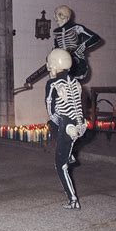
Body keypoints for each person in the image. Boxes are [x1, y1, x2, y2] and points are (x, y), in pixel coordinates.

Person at [45, 49, 87, 210]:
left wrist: (57, 121)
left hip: (67, 126)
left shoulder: (52, 84)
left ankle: (73, 200)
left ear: (54, 65)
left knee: (60, 165)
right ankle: (70, 155)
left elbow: (49, 107)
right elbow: (79, 105)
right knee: (53, 126)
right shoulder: (76, 82)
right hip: (80, 124)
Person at [52, 5, 101, 80]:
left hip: (76, 60)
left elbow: (96, 37)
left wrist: (84, 46)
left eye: (59, 18)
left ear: (66, 17)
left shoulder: (77, 27)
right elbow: (56, 46)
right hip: (61, 62)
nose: (57, 21)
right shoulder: (56, 32)